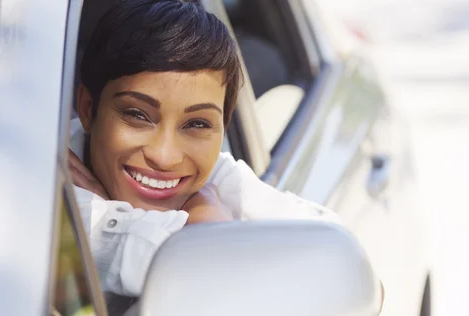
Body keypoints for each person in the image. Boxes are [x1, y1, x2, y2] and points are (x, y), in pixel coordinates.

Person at [68, 0, 341, 298]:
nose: (165, 156)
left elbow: (342, 259)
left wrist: (206, 212)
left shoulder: (209, 178)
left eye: (196, 124)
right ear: (87, 108)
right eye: (137, 115)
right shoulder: (45, 188)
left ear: (222, 127)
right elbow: (200, 269)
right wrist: (209, 223)